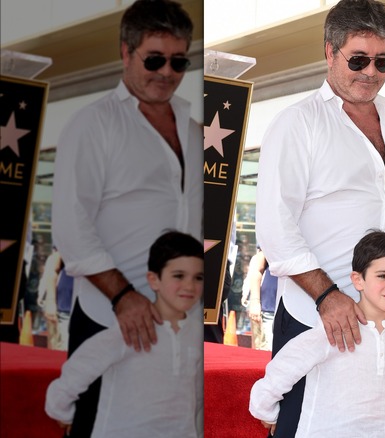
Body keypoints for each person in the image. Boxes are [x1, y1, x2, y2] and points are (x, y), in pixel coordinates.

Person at [254, 1, 385, 435]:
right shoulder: (297, 124)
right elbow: (274, 227)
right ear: (329, 52)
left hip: (380, 323)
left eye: (383, 61)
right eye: (358, 59)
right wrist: (328, 296)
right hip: (315, 314)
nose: (371, 71)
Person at [50, 1, 201, 435]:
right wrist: (124, 297)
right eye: (154, 59)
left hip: (180, 321)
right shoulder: (92, 125)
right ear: (126, 52)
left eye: (178, 61)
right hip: (111, 315)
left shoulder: (194, 130)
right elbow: (71, 227)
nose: (166, 72)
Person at [249, 231, 385, 437]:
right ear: (358, 280)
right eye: (383, 276)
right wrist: (267, 411)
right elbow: (284, 368)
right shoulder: (336, 327)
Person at [45, 231, 204, 438]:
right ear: (154, 280)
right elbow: (72, 378)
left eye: (198, 277)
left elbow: (198, 401)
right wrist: (65, 414)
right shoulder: (129, 330)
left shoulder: (195, 334)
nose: (189, 286)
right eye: (178, 276)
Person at [241, 246, 265, 349]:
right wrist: (245, 294)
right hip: (256, 302)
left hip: (267, 304)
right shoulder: (257, 258)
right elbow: (250, 277)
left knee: (264, 341)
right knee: (257, 339)